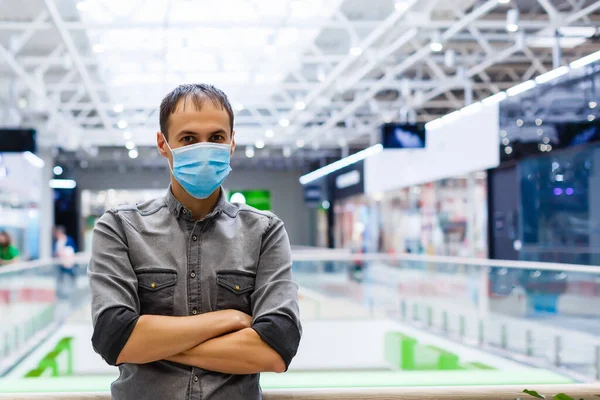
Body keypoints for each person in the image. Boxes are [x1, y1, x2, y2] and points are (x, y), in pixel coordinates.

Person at [88, 84, 302, 400]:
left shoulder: (264, 231)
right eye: (188, 139)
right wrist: (227, 320)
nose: (204, 149)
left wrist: (151, 345)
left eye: (216, 138)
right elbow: (113, 337)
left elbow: (276, 348)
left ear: (232, 144)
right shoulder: (119, 227)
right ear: (163, 144)